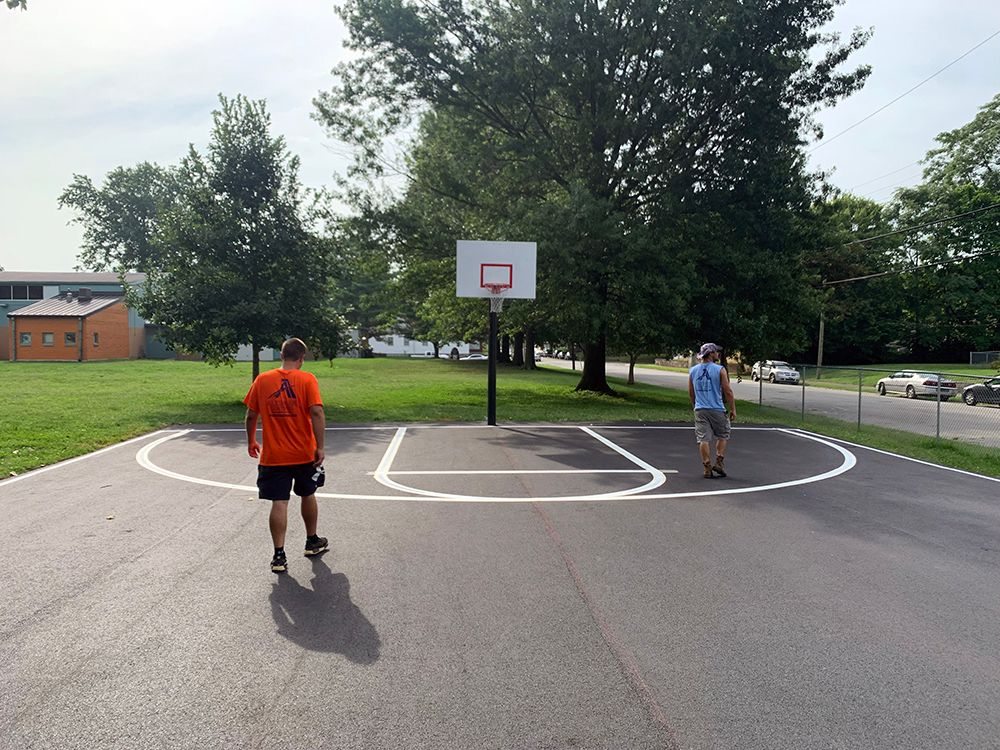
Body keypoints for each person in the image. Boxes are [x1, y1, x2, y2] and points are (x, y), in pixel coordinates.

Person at [244, 337, 328, 573]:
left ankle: (279, 555)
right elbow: (317, 412)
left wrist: (251, 440)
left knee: (279, 502)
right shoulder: (307, 379)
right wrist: (320, 446)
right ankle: (312, 540)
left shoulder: (263, 380)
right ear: (301, 358)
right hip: (303, 453)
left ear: (281, 355)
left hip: (274, 455)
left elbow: (251, 415)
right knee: (308, 494)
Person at [688, 342, 736, 479]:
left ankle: (706, 466)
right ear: (711, 354)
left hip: (700, 408)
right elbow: (727, 391)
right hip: (716, 408)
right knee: (723, 434)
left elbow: (691, 392)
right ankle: (719, 462)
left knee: (703, 438)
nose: (717, 354)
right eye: (716, 352)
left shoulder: (693, 370)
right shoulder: (720, 369)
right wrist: (732, 408)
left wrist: (695, 405)